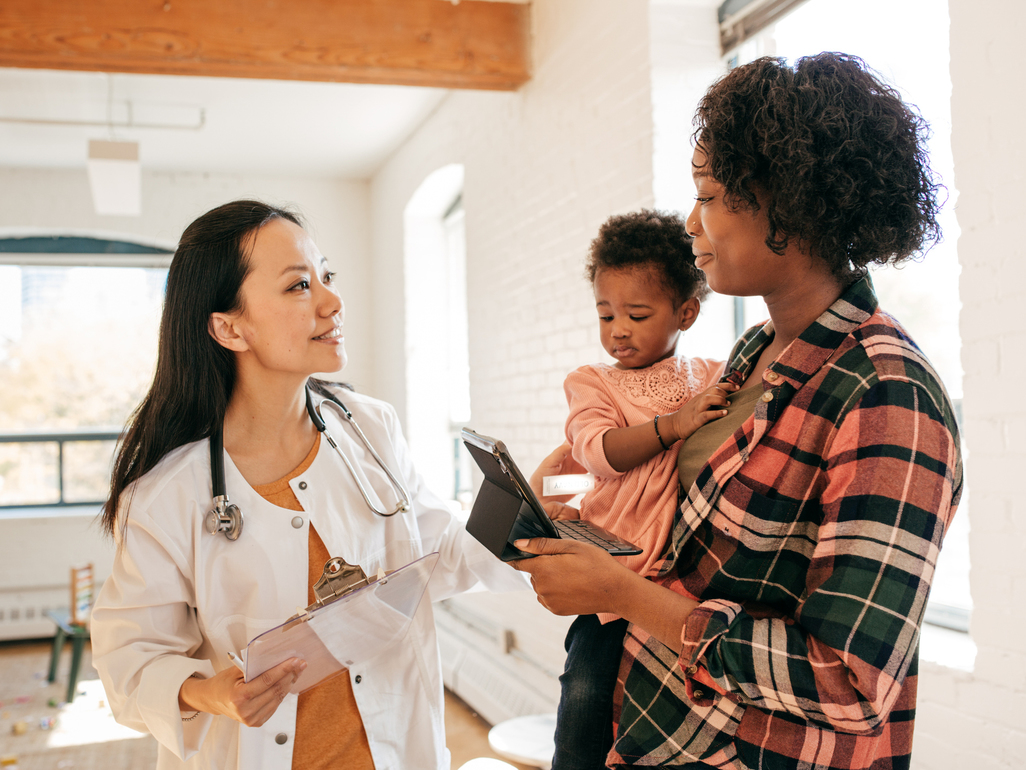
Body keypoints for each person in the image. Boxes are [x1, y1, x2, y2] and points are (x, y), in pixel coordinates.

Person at [517, 53, 962, 770]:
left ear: (789, 202)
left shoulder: (886, 394)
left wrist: (623, 594)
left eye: (711, 195)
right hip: (657, 732)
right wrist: (598, 525)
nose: (692, 224)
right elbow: (700, 551)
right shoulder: (753, 355)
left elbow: (848, 683)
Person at [90, 200, 525, 770]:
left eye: (326, 276)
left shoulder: (370, 428)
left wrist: (523, 508)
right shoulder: (167, 496)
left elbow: (436, 558)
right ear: (229, 327)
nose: (331, 301)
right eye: (298, 286)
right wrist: (211, 692)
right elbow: (130, 658)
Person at [552, 209, 731, 770]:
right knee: (584, 700)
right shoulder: (593, 382)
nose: (617, 330)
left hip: (680, 580)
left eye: (636, 313)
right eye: (605, 315)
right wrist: (672, 426)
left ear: (686, 312)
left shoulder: (712, 375)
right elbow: (598, 453)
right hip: (612, 573)